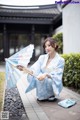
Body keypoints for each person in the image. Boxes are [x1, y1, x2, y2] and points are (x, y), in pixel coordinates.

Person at [17, 37, 65, 101]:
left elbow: (58, 74)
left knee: (47, 80)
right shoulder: (42, 58)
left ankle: (51, 94)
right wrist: (25, 69)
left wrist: (46, 75)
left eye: (49, 45)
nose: (47, 48)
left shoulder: (60, 60)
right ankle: (42, 96)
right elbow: (35, 69)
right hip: (41, 80)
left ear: (55, 45)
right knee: (38, 77)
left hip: (52, 82)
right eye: (45, 46)